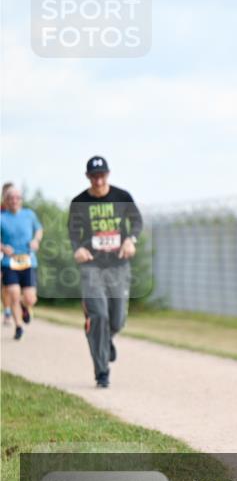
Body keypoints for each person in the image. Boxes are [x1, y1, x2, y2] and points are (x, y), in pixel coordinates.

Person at [67, 156, 143, 388]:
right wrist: (77, 248)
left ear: (108, 175)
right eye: (94, 176)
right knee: (98, 315)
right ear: (88, 177)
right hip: (92, 265)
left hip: (118, 264)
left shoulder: (122, 197)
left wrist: (131, 240)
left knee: (117, 319)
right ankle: (102, 372)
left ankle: (106, 339)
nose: (99, 181)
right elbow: (73, 231)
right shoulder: (79, 202)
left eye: (102, 176)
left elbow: (136, 221)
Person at [0, 185, 43, 340]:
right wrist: (3, 247)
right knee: (13, 293)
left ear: (21, 200)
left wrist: (36, 241)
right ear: (5, 200)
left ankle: (25, 307)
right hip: (8, 262)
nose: (14, 201)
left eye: (17, 198)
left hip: (28, 260)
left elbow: (38, 229)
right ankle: (18, 326)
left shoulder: (29, 214)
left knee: (31, 298)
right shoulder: (1, 217)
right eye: (10, 198)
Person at [2, 182, 14, 326]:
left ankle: (20, 304)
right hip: (2, 252)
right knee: (4, 283)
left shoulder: (21, 211)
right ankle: (7, 311)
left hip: (18, 254)